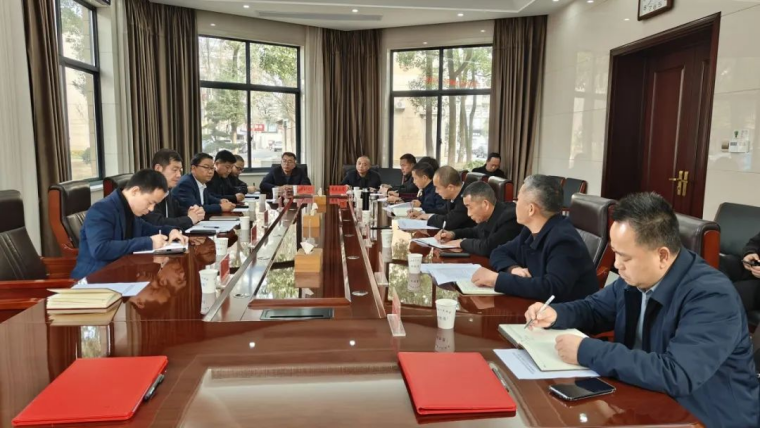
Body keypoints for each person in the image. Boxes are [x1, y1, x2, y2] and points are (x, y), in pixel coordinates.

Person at [524, 193, 759, 428]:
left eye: (624, 257)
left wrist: (586, 351)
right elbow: (594, 308)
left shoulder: (712, 296)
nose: (617, 265)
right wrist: (556, 313)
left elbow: (677, 374)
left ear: (662, 256)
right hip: (648, 401)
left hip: (705, 417)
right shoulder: (637, 277)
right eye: (615, 252)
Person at [470, 174, 597, 302]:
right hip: (535, 304)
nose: (515, 204)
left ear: (531, 209)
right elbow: (498, 252)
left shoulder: (564, 241)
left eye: (518, 199)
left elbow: (552, 288)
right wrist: (513, 269)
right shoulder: (530, 231)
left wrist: (497, 280)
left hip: (563, 310)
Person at [71, 170, 188, 279]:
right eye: (150, 202)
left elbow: (149, 229)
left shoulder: (130, 210)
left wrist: (171, 231)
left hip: (122, 276)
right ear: (135, 191)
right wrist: (148, 242)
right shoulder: (102, 209)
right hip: (95, 280)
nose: (151, 209)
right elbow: (100, 249)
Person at [435, 182, 521, 256]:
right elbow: (475, 231)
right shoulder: (489, 214)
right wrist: (453, 234)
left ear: (485, 204)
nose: (468, 214)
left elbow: (488, 247)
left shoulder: (509, 218)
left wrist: (461, 243)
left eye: (470, 207)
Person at [143, 149, 204, 230]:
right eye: (174, 170)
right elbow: (157, 222)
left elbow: (177, 211)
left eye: (180, 170)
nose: (179, 175)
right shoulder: (146, 191)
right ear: (158, 169)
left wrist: (193, 212)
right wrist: (190, 219)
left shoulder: (167, 190)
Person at [408, 165, 475, 230]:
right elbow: (442, 211)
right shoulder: (453, 194)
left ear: (450, 187)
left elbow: (448, 222)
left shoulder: (467, 198)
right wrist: (422, 214)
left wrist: (428, 217)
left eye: (438, 188)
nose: (436, 191)